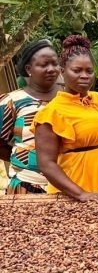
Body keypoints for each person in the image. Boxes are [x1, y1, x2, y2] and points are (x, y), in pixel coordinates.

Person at [34, 35, 98, 201]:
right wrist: (81, 194)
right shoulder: (52, 113)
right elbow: (46, 164)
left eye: (89, 71)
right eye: (77, 70)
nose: (85, 75)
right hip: (81, 183)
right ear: (62, 72)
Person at [0, 39, 61, 193]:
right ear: (29, 69)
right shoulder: (12, 101)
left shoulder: (70, 97)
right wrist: (26, 159)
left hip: (73, 182)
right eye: (44, 65)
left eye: (55, 64)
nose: (51, 69)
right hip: (26, 185)